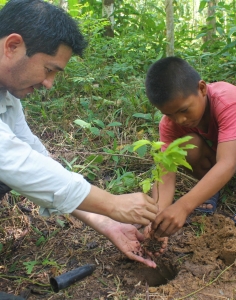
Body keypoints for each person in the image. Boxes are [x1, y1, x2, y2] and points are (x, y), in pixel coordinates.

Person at [0, 0, 158, 268]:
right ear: (12, 46)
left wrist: (106, 222)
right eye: (49, 69)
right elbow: (14, 161)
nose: (49, 83)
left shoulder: (7, 97)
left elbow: (33, 154)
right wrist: (111, 204)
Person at [144, 56, 236, 239]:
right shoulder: (170, 124)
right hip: (217, 157)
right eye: (169, 114)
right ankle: (210, 188)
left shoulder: (227, 100)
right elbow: (166, 172)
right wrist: (157, 218)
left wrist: (183, 206)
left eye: (184, 110)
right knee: (187, 145)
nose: (179, 120)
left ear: (202, 89)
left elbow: (227, 163)